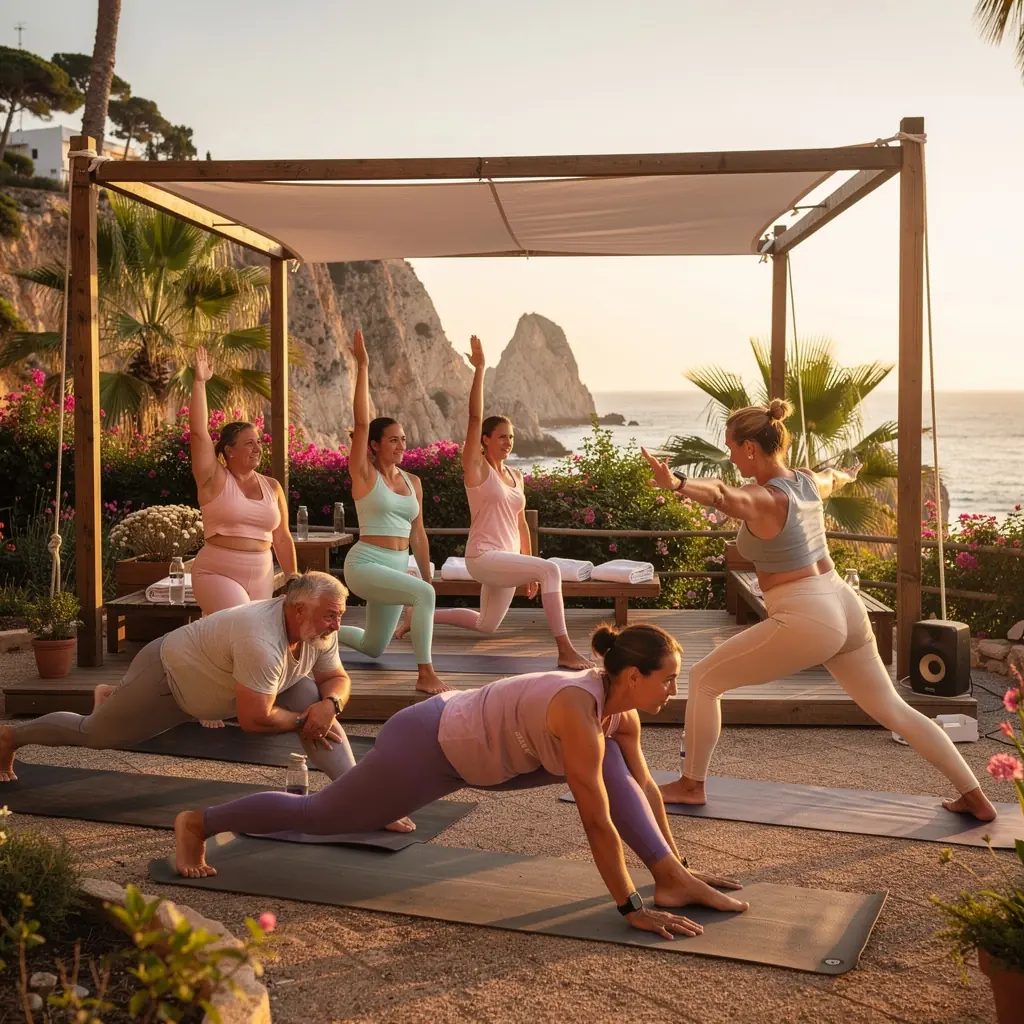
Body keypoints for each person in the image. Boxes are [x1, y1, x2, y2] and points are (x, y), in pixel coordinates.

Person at [172, 622, 750, 941]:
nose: (674, 690)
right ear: (631, 675)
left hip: (491, 757)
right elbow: (596, 819)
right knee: (321, 817)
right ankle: (199, 823)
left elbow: (645, 793)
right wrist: (628, 907)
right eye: (669, 679)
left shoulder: (617, 716)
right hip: (429, 743)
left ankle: (671, 879)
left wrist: (675, 863)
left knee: (618, 768)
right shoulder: (579, 711)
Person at [640, 400, 996, 821]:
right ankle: (975, 796)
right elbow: (834, 478)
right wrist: (851, 473)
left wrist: (677, 482)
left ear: (751, 448)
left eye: (733, 447)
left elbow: (719, 493)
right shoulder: (806, 482)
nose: (732, 456)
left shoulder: (763, 497)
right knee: (894, 709)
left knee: (703, 680)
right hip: (844, 602)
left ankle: (691, 784)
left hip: (807, 611)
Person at [0, 572, 413, 832]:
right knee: (95, 734)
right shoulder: (260, 638)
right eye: (331, 616)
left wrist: (331, 707)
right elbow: (254, 721)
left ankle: (365, 802)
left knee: (315, 702)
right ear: (298, 608)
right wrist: (309, 718)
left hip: (233, 685)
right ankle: (11, 737)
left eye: (339, 615)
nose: (337, 625)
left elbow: (337, 679)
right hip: (168, 679)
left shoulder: (318, 627)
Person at [402, 336, 591, 669]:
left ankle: (420, 614)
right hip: (483, 556)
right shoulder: (477, 471)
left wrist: (528, 568)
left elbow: (520, 525)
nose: (508, 442)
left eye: (512, 437)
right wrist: (479, 370)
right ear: (485, 441)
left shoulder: (517, 477)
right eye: (502, 436)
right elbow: (474, 419)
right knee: (551, 569)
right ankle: (564, 649)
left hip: (506, 560)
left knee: (486, 624)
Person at [336, 329, 449, 695]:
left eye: (403, 439)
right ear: (374, 445)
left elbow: (418, 534)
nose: (401, 445)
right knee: (424, 597)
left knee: (373, 646)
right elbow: (360, 423)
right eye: (393, 439)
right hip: (366, 564)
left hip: (398, 566)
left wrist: (426, 578)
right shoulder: (364, 474)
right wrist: (363, 365)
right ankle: (426, 674)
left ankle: (319, 634)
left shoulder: (413, 481)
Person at [188, 345, 298, 616]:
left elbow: (282, 538)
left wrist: (292, 576)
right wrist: (200, 383)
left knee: (246, 644)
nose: (258, 448)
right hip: (216, 571)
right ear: (229, 450)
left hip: (262, 574)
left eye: (258, 442)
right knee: (241, 624)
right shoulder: (213, 478)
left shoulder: (272, 487)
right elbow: (199, 433)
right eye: (249, 443)